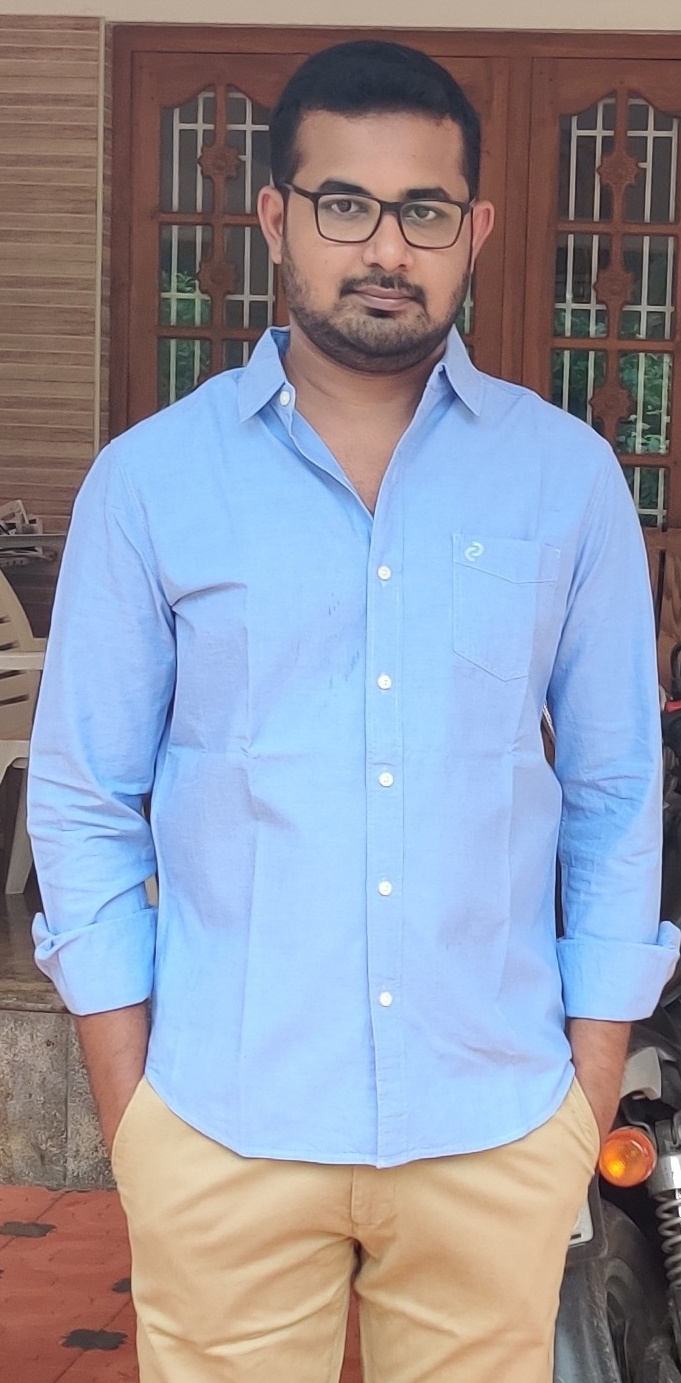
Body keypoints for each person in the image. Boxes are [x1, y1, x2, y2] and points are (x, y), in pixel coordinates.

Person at [28, 38, 680, 1383]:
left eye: (422, 210)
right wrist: (131, 1108)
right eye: (345, 204)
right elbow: (86, 797)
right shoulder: (151, 484)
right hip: (222, 1122)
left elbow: (616, 791)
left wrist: (583, 1088)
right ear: (275, 217)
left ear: (473, 230)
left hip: (493, 1124)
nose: (385, 247)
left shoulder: (564, 481)